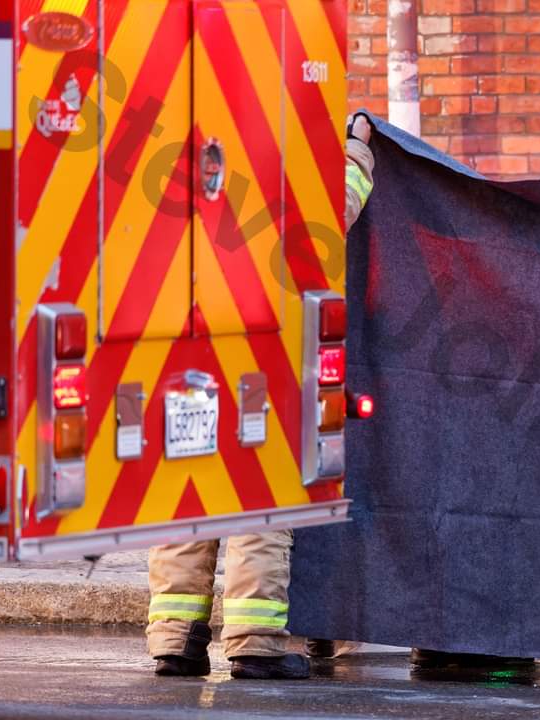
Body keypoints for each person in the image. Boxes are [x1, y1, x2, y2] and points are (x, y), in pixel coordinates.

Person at [148, 113, 376, 680]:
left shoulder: (177, 175)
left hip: (183, 350)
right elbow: (333, 215)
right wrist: (358, 148)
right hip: (259, 351)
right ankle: (254, 643)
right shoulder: (271, 184)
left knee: (186, 490)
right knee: (261, 496)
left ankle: (175, 640)